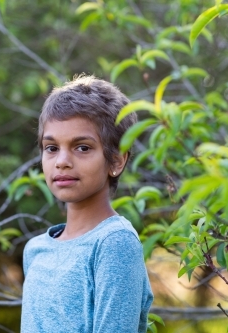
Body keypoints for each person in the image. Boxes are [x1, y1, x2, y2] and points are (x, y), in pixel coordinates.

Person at [21, 75, 153, 333]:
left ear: (116, 161)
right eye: (51, 148)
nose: (62, 161)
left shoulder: (114, 243)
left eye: (81, 147)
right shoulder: (35, 250)